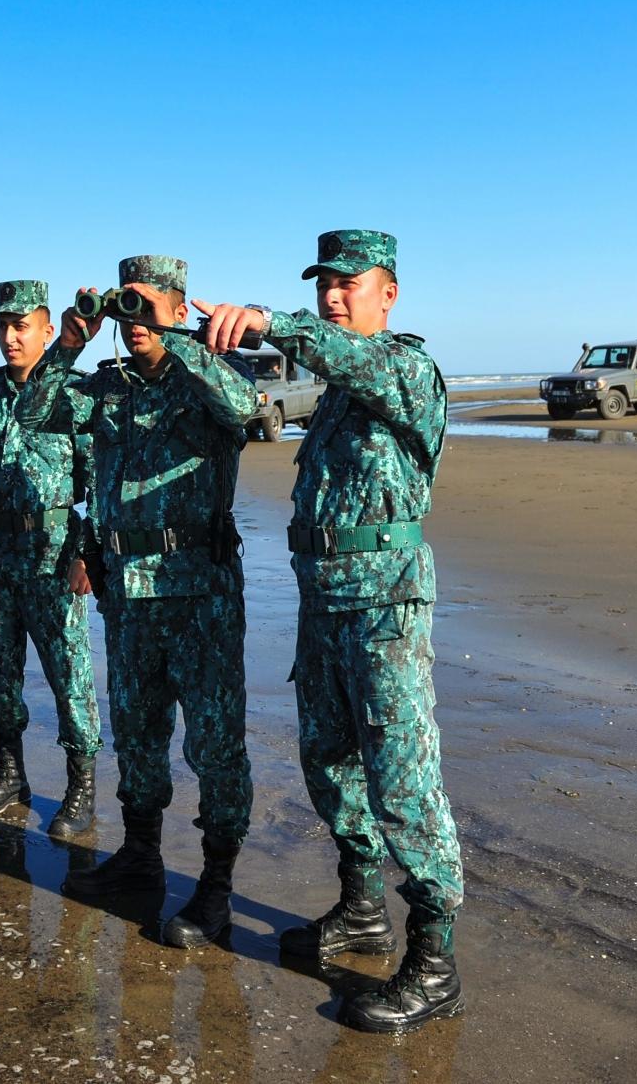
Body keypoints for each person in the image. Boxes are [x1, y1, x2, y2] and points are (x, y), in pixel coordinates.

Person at [196, 230, 464, 1033]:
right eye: (326, 285)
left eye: (352, 284)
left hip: (384, 606)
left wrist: (269, 320)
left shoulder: (403, 369)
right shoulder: (340, 394)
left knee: (401, 776)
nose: (335, 296)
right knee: (329, 763)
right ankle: (361, 909)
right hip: (325, 604)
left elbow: (345, 357)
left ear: (389, 295)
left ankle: (436, 956)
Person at [17, 255, 259, 949]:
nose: (137, 323)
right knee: (140, 735)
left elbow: (243, 410)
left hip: (200, 593)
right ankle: (142, 858)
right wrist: (71, 340)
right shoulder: (107, 389)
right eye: (131, 309)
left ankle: (215, 888)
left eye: (150, 306)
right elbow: (34, 413)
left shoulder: (212, 376)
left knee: (213, 745)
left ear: (179, 311)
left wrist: (180, 337)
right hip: (130, 593)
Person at [0, 280, 102, 839]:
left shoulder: (77, 392)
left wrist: (89, 553)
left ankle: (81, 788)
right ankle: (9, 775)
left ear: (49, 331)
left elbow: (99, 481)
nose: (9, 337)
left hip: (52, 551)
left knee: (67, 672)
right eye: (2, 326)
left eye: (21, 326)